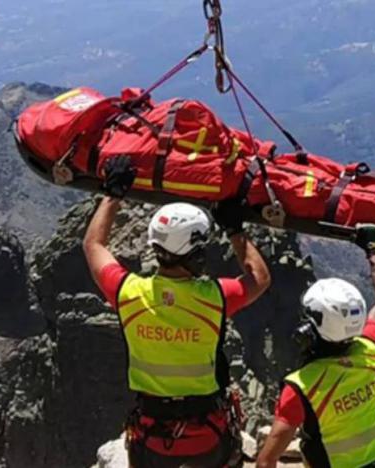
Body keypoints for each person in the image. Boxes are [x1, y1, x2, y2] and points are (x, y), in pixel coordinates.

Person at [83, 156, 272, 467]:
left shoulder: (128, 293)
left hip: (152, 440)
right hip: (209, 437)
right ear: (197, 253)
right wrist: (235, 230)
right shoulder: (215, 297)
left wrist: (112, 194)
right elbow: (260, 278)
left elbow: (93, 245)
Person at [257, 224, 375, 468]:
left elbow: (265, 462)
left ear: (309, 330)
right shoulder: (370, 350)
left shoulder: (302, 387)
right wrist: (374, 250)